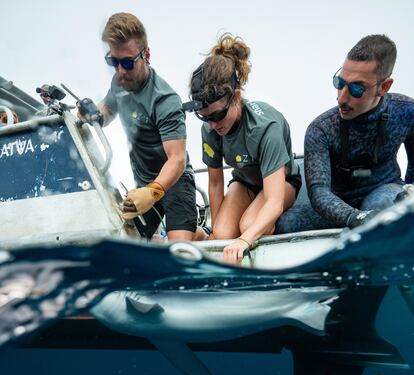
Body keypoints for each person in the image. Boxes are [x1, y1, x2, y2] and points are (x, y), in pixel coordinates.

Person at [277, 34, 414, 234]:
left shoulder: (407, 111)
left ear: (384, 87)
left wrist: (407, 198)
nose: (341, 98)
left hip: (384, 191)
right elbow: (318, 192)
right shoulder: (321, 129)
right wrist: (354, 217)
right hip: (337, 202)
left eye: (357, 89)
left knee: (382, 209)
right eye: (339, 83)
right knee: (285, 224)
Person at [183, 34, 301, 264]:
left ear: (236, 97)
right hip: (245, 182)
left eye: (218, 115)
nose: (213, 125)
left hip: (283, 184)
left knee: (248, 226)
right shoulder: (210, 129)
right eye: (204, 117)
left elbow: (274, 201)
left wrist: (245, 240)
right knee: (225, 233)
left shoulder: (267, 128)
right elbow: (216, 184)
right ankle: (202, 236)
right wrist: (218, 238)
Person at [98, 12, 200, 241]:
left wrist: (152, 192)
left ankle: (200, 235)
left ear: (147, 55)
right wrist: (91, 114)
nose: (120, 71)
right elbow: (107, 110)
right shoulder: (119, 82)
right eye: (113, 62)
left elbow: (177, 159)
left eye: (127, 63)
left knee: (178, 251)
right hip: (141, 182)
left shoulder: (165, 100)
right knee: (125, 245)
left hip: (175, 181)